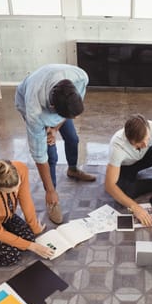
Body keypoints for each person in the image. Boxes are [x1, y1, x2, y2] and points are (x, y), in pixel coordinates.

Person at [15, 64, 96, 225]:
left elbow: (69, 114)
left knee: (72, 138)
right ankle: (52, 199)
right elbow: (39, 155)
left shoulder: (79, 78)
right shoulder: (35, 112)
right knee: (50, 153)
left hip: (56, 96)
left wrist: (56, 128)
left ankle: (72, 170)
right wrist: (50, 191)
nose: (75, 119)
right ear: (53, 108)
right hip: (26, 99)